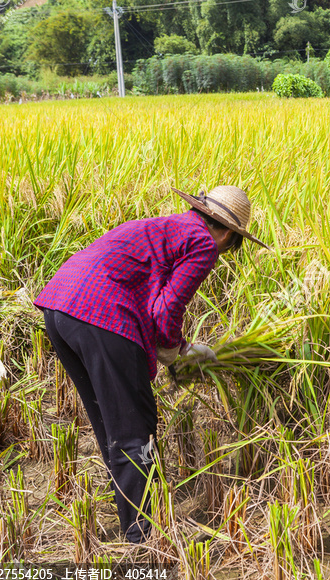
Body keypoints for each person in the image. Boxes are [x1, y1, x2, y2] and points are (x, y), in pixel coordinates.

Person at [34, 185, 269, 543]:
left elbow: (145, 291)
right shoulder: (205, 243)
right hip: (101, 313)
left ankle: (136, 520)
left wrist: (176, 345)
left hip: (60, 305)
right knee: (134, 427)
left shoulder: (167, 225)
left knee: (110, 422)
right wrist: (176, 352)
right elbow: (165, 308)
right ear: (227, 234)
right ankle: (145, 534)